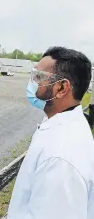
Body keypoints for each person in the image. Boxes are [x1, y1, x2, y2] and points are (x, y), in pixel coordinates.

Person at [7, 46, 94, 219]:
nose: (32, 83)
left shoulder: (60, 158)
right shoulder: (61, 123)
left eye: (38, 77)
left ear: (62, 88)